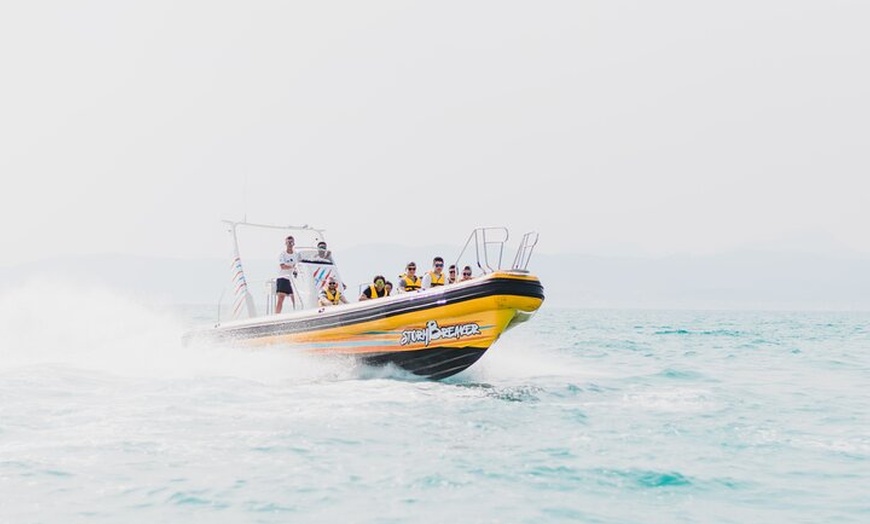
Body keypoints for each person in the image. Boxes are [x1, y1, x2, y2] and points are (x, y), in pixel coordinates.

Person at [276, 235, 298, 313]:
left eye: (291, 242)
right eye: (288, 242)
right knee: (280, 299)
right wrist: (293, 266)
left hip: (293, 279)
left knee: (295, 298)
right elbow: (283, 266)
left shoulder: (296, 254)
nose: (290, 244)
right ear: (285, 243)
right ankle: (276, 316)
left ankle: (297, 314)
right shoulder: (282, 254)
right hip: (283, 278)